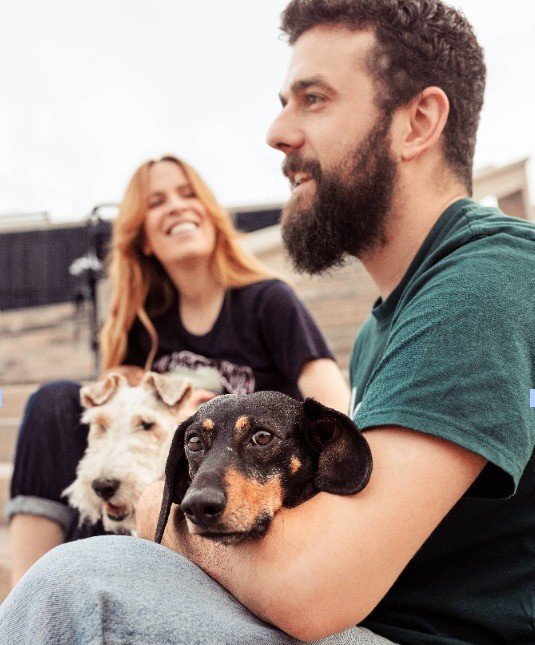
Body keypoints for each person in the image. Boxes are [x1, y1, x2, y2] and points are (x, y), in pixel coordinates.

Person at [1, 1, 534, 643]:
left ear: (418, 122)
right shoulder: (379, 330)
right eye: (285, 100)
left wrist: (157, 505)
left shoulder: (486, 279)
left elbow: (314, 582)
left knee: (77, 590)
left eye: (313, 98)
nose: (276, 131)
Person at [6, 153, 350, 586]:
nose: (177, 206)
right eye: (157, 201)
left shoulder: (267, 301)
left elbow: (332, 405)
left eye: (189, 195)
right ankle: (25, 595)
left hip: (231, 493)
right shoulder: (142, 323)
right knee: (52, 401)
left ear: (209, 214)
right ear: (143, 237)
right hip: (153, 494)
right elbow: (113, 432)